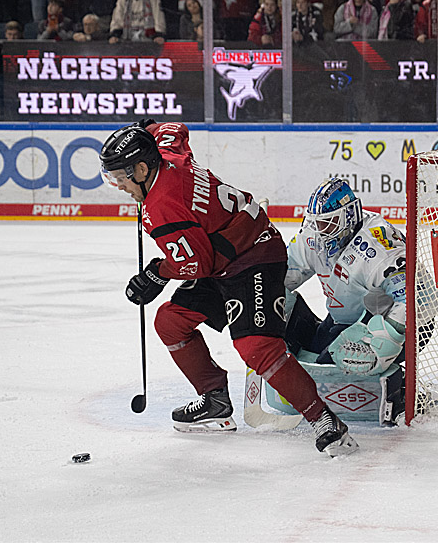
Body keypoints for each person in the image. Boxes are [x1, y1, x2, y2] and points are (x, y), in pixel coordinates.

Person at [99, 121, 357, 456]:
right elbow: (174, 130)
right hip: (224, 255)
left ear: (143, 168)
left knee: (257, 346)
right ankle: (215, 400)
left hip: (255, 254)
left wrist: (157, 274)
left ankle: (324, 420)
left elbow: (196, 266)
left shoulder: (161, 207)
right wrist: (148, 127)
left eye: (121, 177)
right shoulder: (166, 153)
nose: (119, 186)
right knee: (170, 321)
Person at [280, 177, 430, 422]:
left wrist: (386, 340)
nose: (320, 233)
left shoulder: (378, 245)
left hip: (403, 323)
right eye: (316, 223)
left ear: (348, 216)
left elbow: (418, 298)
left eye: (327, 224)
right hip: (348, 318)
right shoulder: (313, 236)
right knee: (317, 356)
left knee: (339, 363)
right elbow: (285, 275)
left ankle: (401, 390)